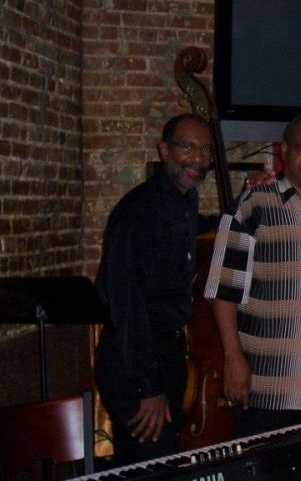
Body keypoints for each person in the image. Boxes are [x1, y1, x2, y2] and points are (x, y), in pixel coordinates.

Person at [204, 113, 301, 438]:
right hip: (265, 385)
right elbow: (224, 289)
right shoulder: (252, 205)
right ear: (285, 151)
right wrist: (233, 358)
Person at [94, 113, 214, 466]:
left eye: (205, 149)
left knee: (161, 463)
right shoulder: (138, 211)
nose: (198, 158)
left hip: (166, 356)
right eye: (188, 147)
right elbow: (127, 305)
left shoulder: (182, 201)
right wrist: (149, 388)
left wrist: (242, 206)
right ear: (164, 150)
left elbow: (191, 230)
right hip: (135, 364)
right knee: (151, 466)